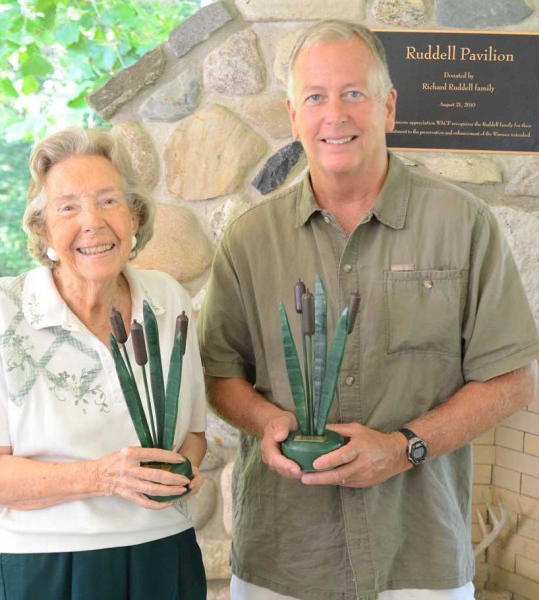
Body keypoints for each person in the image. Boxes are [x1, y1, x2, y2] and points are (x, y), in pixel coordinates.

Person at [197, 20, 539, 600]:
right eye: (316, 97)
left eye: (354, 93)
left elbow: (510, 381)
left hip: (419, 555)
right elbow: (220, 374)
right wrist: (268, 422)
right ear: (293, 114)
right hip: (284, 555)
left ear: (389, 106)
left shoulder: (464, 225)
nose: (336, 114)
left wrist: (403, 448)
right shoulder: (250, 239)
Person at [0, 127, 207, 600]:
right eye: (68, 207)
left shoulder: (168, 300)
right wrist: (104, 476)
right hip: (47, 566)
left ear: (135, 216)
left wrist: (178, 471)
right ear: (43, 228)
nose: (93, 222)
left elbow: (193, 435)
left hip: (164, 552)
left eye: (109, 201)